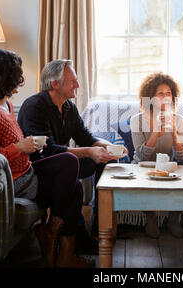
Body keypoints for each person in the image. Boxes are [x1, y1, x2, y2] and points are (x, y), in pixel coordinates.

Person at [0, 49, 94, 268]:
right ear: (4, 77)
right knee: (69, 162)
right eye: (17, 75)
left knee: (76, 187)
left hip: (28, 173)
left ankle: (64, 255)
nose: (21, 80)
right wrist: (18, 147)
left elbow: (84, 136)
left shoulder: (5, 105)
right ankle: (51, 231)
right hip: (16, 183)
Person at [17, 59, 127, 243]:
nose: (77, 84)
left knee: (106, 159)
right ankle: (73, 236)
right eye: (72, 81)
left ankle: (101, 227)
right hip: (38, 166)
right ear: (55, 84)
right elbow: (46, 151)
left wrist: (108, 147)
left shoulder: (69, 107)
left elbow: (86, 138)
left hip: (63, 164)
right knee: (72, 162)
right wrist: (89, 152)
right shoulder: (34, 106)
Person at [130, 73, 183, 238]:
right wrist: (155, 134)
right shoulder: (137, 120)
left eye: (168, 93)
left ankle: (173, 218)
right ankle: (150, 218)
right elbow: (141, 157)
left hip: (167, 164)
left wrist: (176, 136)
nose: (165, 97)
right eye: (160, 93)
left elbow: (182, 157)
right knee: (138, 169)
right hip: (144, 164)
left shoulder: (179, 119)